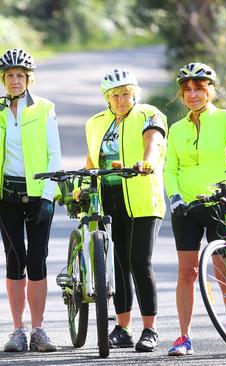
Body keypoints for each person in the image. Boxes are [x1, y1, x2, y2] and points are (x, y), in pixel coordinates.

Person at [165, 62, 226, 356]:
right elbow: (170, 169)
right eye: (187, 89)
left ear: (211, 91)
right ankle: (183, 337)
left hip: (220, 203)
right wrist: (175, 197)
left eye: (199, 88)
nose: (193, 94)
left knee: (223, 274)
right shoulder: (177, 128)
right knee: (187, 272)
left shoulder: (225, 119)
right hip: (187, 208)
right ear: (182, 95)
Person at [80, 68, 167, 352]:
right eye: (115, 95)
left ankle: (150, 329)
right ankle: (123, 327)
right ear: (107, 97)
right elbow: (92, 160)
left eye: (126, 94)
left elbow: (153, 141)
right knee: (118, 263)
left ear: (135, 94)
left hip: (143, 196)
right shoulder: (95, 122)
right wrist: (82, 184)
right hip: (111, 197)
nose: (120, 99)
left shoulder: (148, 114)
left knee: (139, 261)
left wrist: (147, 161)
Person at [0, 48, 61, 353]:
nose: (15, 81)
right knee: (14, 261)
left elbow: (54, 153)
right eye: (9, 76)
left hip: (39, 195)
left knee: (37, 260)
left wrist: (47, 195)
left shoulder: (44, 108)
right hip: (7, 197)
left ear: (29, 79)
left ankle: (39, 330)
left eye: (20, 76)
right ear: (3, 79)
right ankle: (18, 329)